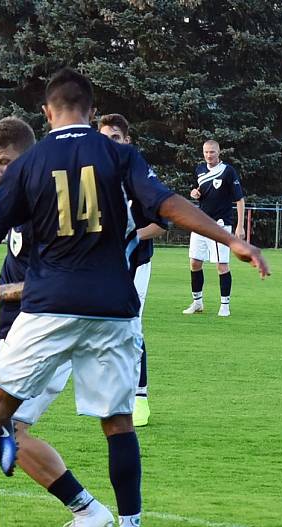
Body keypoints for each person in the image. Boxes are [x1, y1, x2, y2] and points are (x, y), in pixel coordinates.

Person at [0, 68, 269, 527]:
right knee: (117, 423)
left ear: (47, 113)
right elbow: (169, 204)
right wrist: (233, 240)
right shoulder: (118, 155)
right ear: (91, 112)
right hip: (113, 308)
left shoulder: (33, 162)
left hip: (50, 304)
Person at [0, 116, 114, 527]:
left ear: (29, 156)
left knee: (9, 433)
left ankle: (87, 509)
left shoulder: (49, 206)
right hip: (8, 337)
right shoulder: (16, 197)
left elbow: (63, 280)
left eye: (4, 161)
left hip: (46, 336)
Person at [98, 113, 167, 426]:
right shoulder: (91, 177)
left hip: (137, 261)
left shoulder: (138, 177)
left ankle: (140, 397)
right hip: (103, 265)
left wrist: (131, 235)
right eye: (104, 138)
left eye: (115, 138)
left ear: (127, 141)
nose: (109, 144)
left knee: (132, 325)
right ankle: (114, 392)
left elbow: (160, 224)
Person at [185, 139, 246, 317]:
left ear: (218, 152)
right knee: (195, 262)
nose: (208, 155)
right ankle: (197, 302)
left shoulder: (227, 171)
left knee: (222, 265)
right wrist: (193, 193)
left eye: (212, 152)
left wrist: (240, 226)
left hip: (220, 225)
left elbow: (239, 199)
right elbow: (196, 189)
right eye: (206, 152)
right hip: (200, 223)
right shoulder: (200, 170)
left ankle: (225, 305)